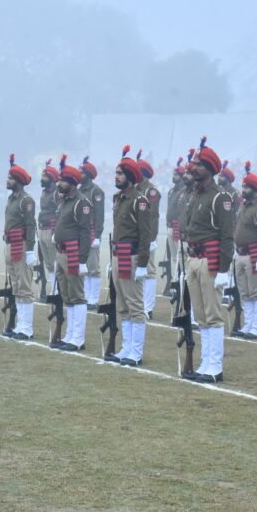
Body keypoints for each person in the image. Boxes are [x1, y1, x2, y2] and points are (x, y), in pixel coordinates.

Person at [180, 137, 234, 383]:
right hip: (193, 259)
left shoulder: (219, 197)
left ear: (211, 169)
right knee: (200, 314)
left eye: (200, 164)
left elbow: (226, 235)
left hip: (210, 259)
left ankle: (214, 365)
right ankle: (204, 362)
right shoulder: (194, 194)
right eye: (194, 164)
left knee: (212, 314)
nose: (194, 167)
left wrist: (223, 269)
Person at [105, 147, 154, 366]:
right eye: (116, 173)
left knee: (135, 305)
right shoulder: (118, 198)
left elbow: (146, 234)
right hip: (118, 254)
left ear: (130, 177)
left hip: (132, 255)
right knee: (122, 305)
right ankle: (126, 347)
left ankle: (136, 351)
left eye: (120, 174)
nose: (116, 177)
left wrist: (143, 263)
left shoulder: (139, 200)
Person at [52, 156, 94, 351]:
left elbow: (86, 233)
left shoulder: (81, 203)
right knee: (67, 295)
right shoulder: (64, 201)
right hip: (61, 253)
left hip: (73, 252)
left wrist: (83, 260)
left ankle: (78, 338)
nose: (58, 183)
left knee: (77, 295)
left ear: (71, 182)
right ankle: (69, 334)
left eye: (62, 180)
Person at [231, 162, 257, 340]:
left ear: (254, 189)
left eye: (246, 187)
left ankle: (256, 327)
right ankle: (248, 324)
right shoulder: (244, 206)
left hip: (254, 254)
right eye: (243, 186)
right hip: (240, 254)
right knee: (245, 292)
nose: (243, 189)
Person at [3, 154, 38, 339]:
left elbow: (30, 225)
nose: (7, 180)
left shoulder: (26, 200)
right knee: (16, 286)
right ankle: (19, 325)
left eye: (10, 178)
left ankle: (26, 327)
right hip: (9, 244)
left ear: (17, 181)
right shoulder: (11, 199)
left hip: (21, 245)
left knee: (24, 286)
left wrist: (30, 249)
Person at [136, 150, 162, 319]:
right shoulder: (136, 189)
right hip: (136, 236)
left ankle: (148, 306)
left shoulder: (150, 191)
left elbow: (153, 217)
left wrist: (152, 239)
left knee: (149, 270)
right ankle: (140, 303)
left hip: (147, 237)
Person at [79, 157, 105, 309]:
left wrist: (97, 236)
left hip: (92, 232)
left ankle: (93, 299)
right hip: (81, 233)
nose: (79, 174)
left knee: (93, 268)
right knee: (83, 267)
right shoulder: (79, 190)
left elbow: (99, 215)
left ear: (88, 174)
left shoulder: (96, 192)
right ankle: (85, 296)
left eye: (82, 172)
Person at [37, 159, 60, 301]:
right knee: (48, 263)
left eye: (44, 176)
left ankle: (56, 290)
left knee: (54, 260)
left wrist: (56, 232)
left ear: (51, 178)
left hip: (51, 230)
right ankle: (53, 289)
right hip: (42, 229)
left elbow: (59, 213)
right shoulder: (44, 192)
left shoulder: (56, 193)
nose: (41, 179)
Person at [165, 157, 186, 283]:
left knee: (180, 255)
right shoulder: (171, 191)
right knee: (174, 256)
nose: (173, 176)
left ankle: (181, 278)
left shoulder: (185, 191)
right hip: (170, 226)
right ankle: (176, 278)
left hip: (178, 226)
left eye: (176, 174)